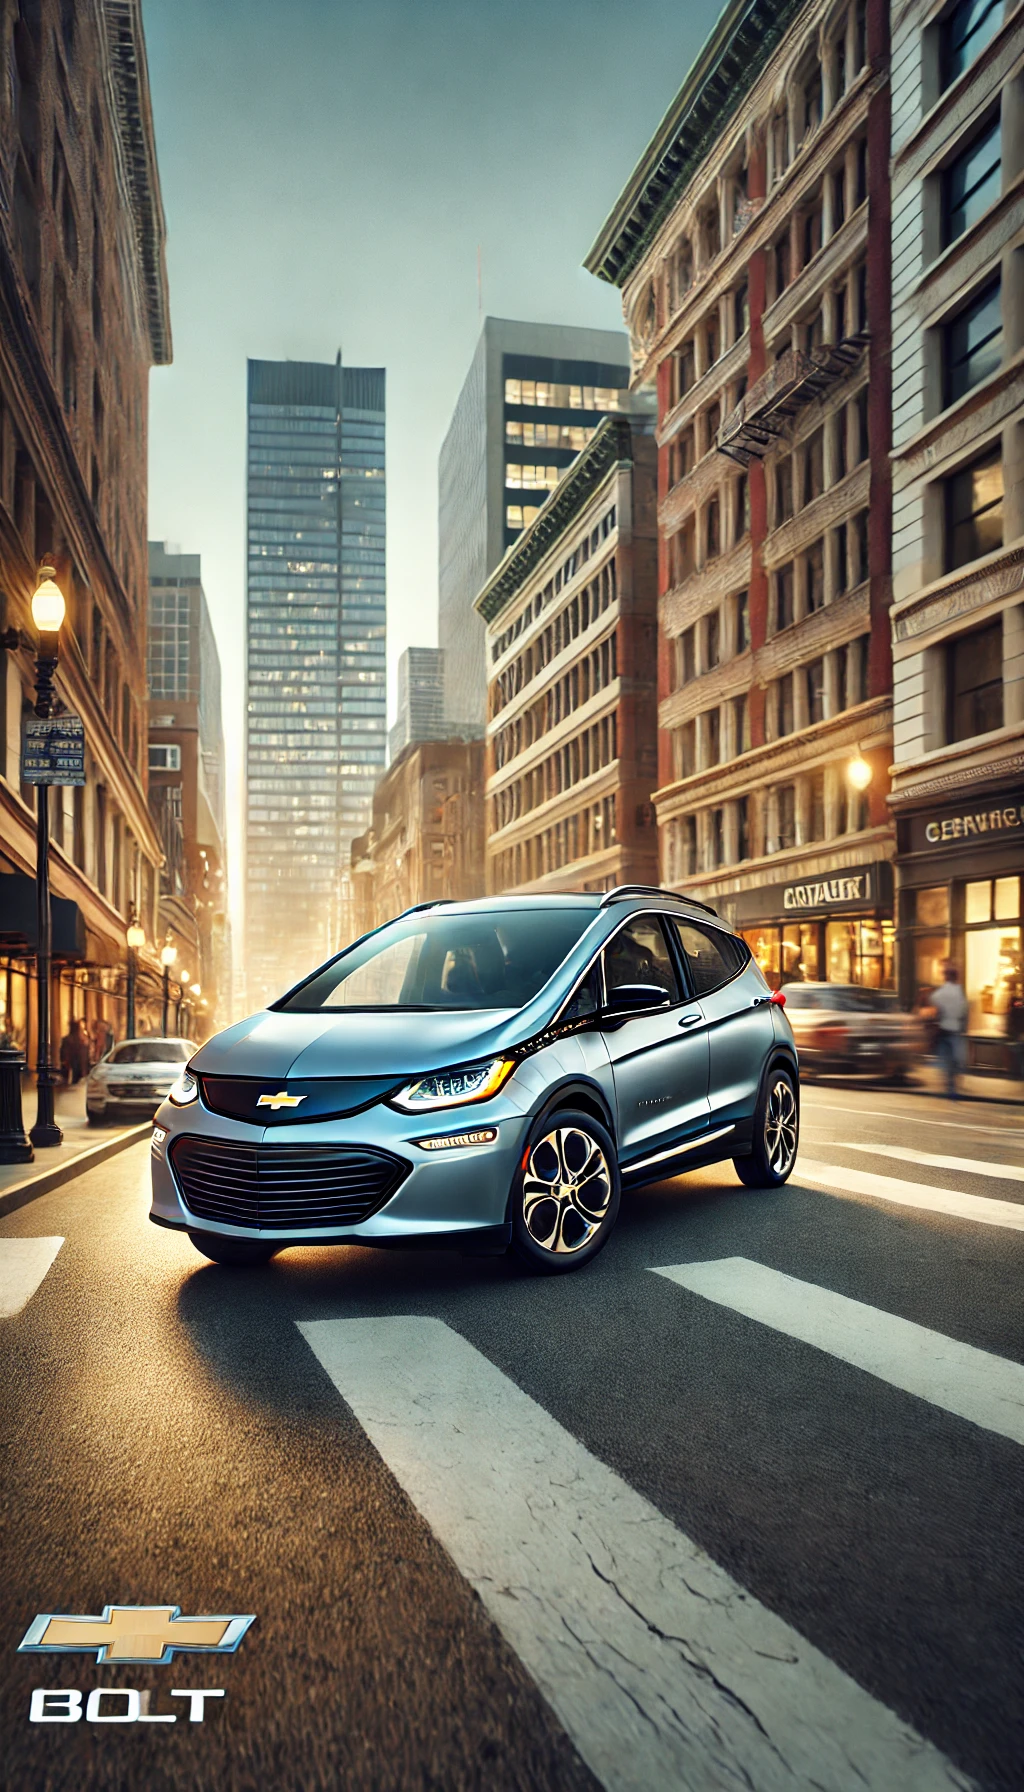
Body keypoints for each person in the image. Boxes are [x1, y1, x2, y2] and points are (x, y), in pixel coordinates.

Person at [929, 961, 968, 1099]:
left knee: (946, 1058)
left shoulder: (939, 994)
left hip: (944, 1029)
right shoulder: (960, 992)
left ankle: (950, 1085)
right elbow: (964, 1011)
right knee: (957, 1057)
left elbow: (937, 1012)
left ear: (945, 977)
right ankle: (955, 1082)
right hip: (956, 1029)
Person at [60, 1018, 90, 1084]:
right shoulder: (81, 1040)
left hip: (75, 1064)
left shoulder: (68, 1039)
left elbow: (63, 1052)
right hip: (76, 1064)